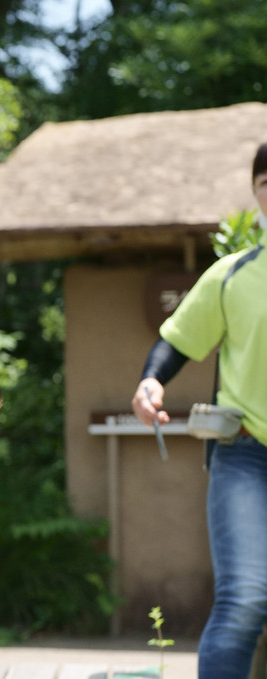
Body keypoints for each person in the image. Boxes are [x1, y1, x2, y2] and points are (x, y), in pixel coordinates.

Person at [132, 142, 267, 679]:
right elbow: (177, 342)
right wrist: (149, 383)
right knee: (244, 601)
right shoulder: (233, 274)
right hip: (245, 457)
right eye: (266, 186)